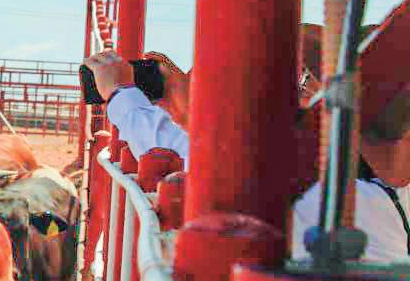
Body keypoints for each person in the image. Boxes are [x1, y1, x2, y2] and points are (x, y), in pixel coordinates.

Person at [83, 20, 410, 262]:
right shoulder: (373, 189)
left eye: (306, 80)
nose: (305, 94)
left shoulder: (335, 199)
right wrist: (181, 110)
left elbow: (205, 163)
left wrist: (125, 94)